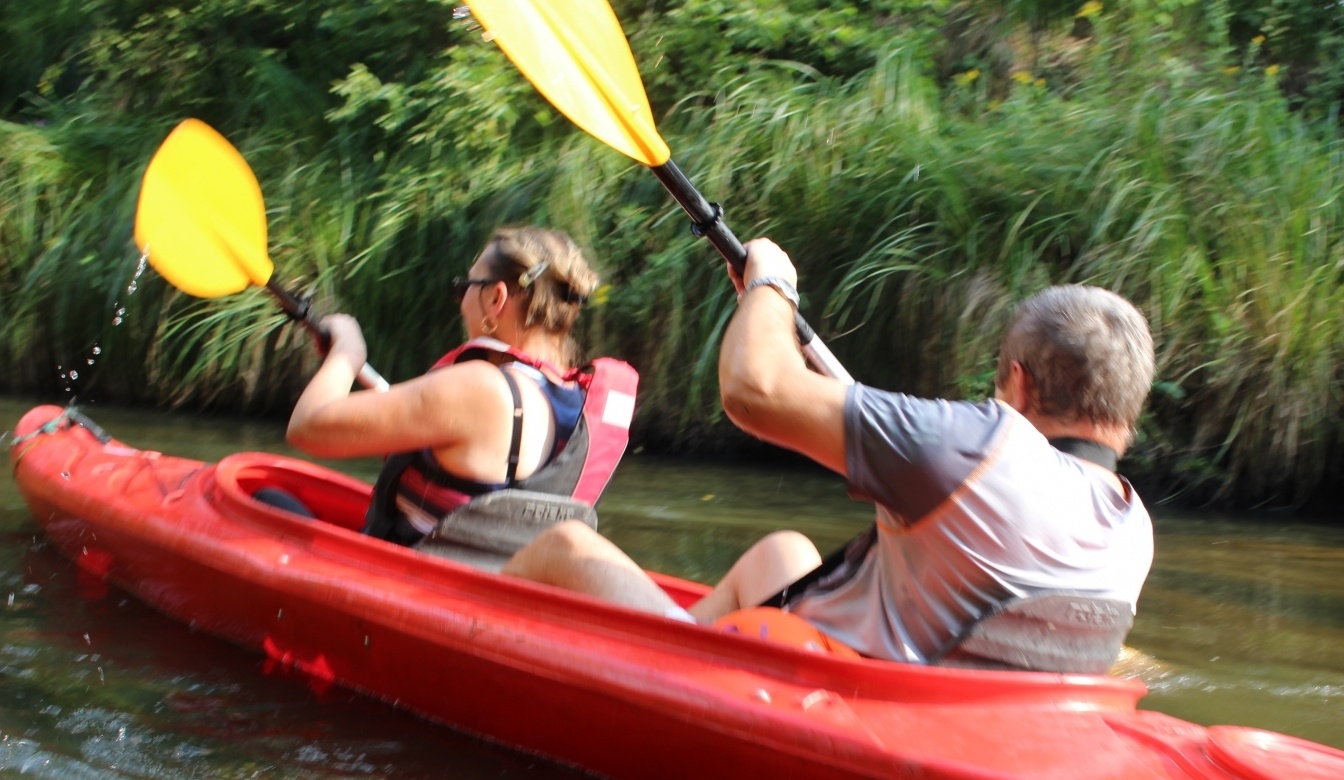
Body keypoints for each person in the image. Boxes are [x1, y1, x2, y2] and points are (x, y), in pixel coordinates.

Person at [504, 237, 1154, 664]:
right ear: (1128, 408)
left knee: (564, 542)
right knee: (782, 552)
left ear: (1020, 381)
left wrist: (772, 286)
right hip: (942, 698)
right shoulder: (1132, 526)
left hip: (824, 699)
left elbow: (753, 390)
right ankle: (658, 636)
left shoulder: (981, 444)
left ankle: (630, 655)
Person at [285, 226, 636, 546]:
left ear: (496, 298)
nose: (460, 300)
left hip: (416, 584)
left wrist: (347, 352)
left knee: (270, 499)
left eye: (465, 287)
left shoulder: (478, 388)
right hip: (490, 585)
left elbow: (307, 426)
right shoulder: (573, 406)